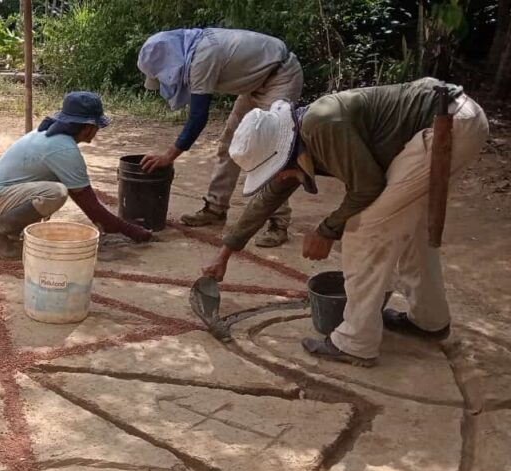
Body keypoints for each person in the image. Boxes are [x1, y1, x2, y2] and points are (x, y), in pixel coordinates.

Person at [202, 78, 489, 367]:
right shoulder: (299, 140)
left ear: (285, 153)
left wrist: (327, 230)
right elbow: (267, 199)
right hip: (457, 119)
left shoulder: (321, 125)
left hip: (446, 125)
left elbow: (367, 187)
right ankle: (429, 321)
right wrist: (225, 253)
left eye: (275, 170)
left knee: (364, 231)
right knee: (411, 228)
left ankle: (355, 342)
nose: (279, 177)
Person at [137, 28, 303, 247]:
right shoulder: (192, 49)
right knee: (230, 144)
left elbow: (198, 117)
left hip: (279, 77)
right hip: (254, 84)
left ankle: (278, 223)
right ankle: (215, 208)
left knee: (269, 151)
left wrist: (169, 156)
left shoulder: (202, 58)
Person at [0, 91, 152, 259]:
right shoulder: (64, 149)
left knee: (53, 191)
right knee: (55, 193)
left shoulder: (49, 135)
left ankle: (10, 232)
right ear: (89, 127)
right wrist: (130, 230)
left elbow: (82, 197)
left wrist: (107, 223)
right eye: (97, 126)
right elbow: (89, 204)